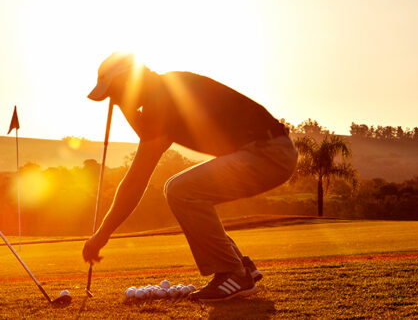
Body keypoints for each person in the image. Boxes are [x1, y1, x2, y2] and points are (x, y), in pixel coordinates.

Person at [81, 52, 298, 302]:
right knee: (181, 190)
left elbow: (135, 180)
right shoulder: (163, 92)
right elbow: (148, 140)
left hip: (268, 153)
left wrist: (101, 235)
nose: (114, 101)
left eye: (115, 93)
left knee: (181, 190)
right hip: (267, 151)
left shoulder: (163, 98)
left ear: (130, 82)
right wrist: (127, 106)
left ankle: (233, 273)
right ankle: (240, 266)